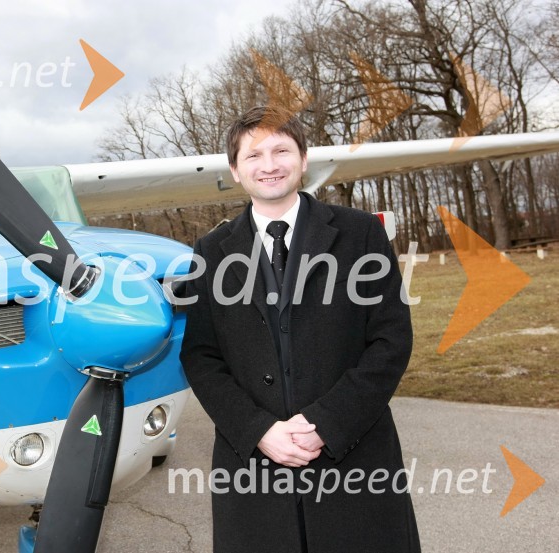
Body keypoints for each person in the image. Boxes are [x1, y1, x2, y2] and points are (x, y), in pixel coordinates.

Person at [179, 105, 420, 553]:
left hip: (355, 459)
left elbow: (390, 340)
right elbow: (200, 355)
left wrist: (327, 423)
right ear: (235, 169)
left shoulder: (361, 234)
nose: (269, 165)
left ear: (304, 160)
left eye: (281, 150)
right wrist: (258, 431)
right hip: (253, 469)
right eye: (253, 156)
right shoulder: (210, 251)